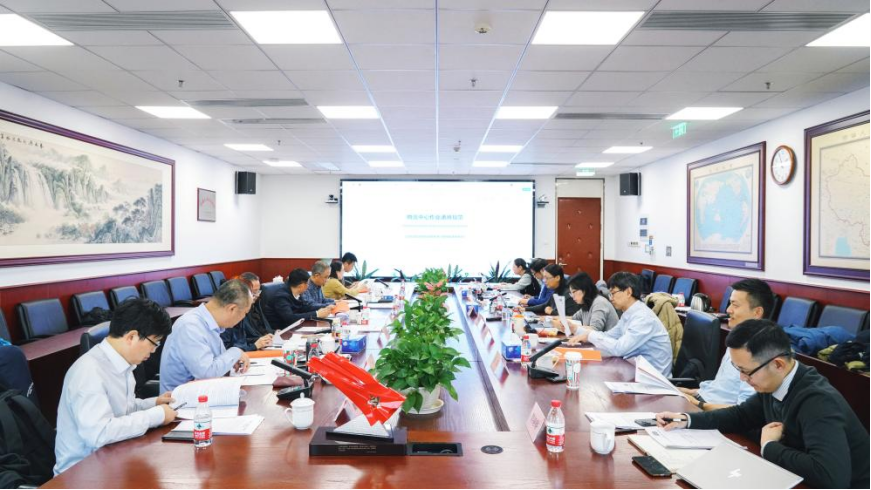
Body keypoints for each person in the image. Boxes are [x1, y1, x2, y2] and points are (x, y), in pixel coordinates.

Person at [657, 320, 870, 490]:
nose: (742, 378)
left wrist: (769, 446)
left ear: (778, 364)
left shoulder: (818, 401)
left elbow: (831, 477)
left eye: (746, 371)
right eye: (738, 369)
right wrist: (687, 420)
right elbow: (741, 415)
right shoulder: (774, 382)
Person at [54, 298, 177, 475]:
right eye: (154, 343)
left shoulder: (122, 363)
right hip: (81, 474)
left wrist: (154, 403)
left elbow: (123, 409)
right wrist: (155, 415)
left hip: (112, 460)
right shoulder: (89, 372)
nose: (153, 350)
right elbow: (99, 434)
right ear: (131, 337)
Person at [679, 278, 773, 411]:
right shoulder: (738, 337)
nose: (728, 310)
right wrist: (691, 393)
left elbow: (744, 410)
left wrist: (698, 404)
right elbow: (722, 388)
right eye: (729, 304)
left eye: (735, 305)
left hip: (715, 413)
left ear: (757, 312)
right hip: (704, 400)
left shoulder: (760, 352)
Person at [571, 272, 673, 376]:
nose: (611, 298)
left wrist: (590, 335)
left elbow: (619, 348)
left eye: (613, 293)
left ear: (628, 292)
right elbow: (609, 336)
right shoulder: (629, 313)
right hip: (635, 369)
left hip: (653, 378)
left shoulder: (643, 318)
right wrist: (576, 330)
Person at [160, 280, 253, 393]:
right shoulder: (191, 326)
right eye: (245, 313)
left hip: (203, 392)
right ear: (232, 309)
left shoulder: (210, 322)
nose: (244, 317)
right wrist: (236, 352)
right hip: (181, 399)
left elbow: (216, 361)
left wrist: (230, 361)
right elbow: (206, 374)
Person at [220, 273, 274, 352]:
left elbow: (242, 340)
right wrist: (254, 345)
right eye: (253, 292)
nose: (256, 295)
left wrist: (270, 334)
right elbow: (228, 351)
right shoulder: (228, 318)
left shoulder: (255, 303)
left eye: (258, 291)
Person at [264, 268, 334, 329]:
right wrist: (316, 314)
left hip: (295, 327)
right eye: (307, 283)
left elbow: (304, 307)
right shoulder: (281, 297)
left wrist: (324, 308)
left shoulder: (297, 293)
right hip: (281, 331)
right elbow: (290, 318)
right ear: (301, 285)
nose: (308, 286)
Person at [562, 272, 619, 339]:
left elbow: (594, 330)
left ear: (584, 289)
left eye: (574, 292)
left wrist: (573, 328)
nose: (572, 296)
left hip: (608, 343)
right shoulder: (586, 303)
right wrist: (558, 321)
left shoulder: (599, 303)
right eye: (571, 293)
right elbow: (573, 318)